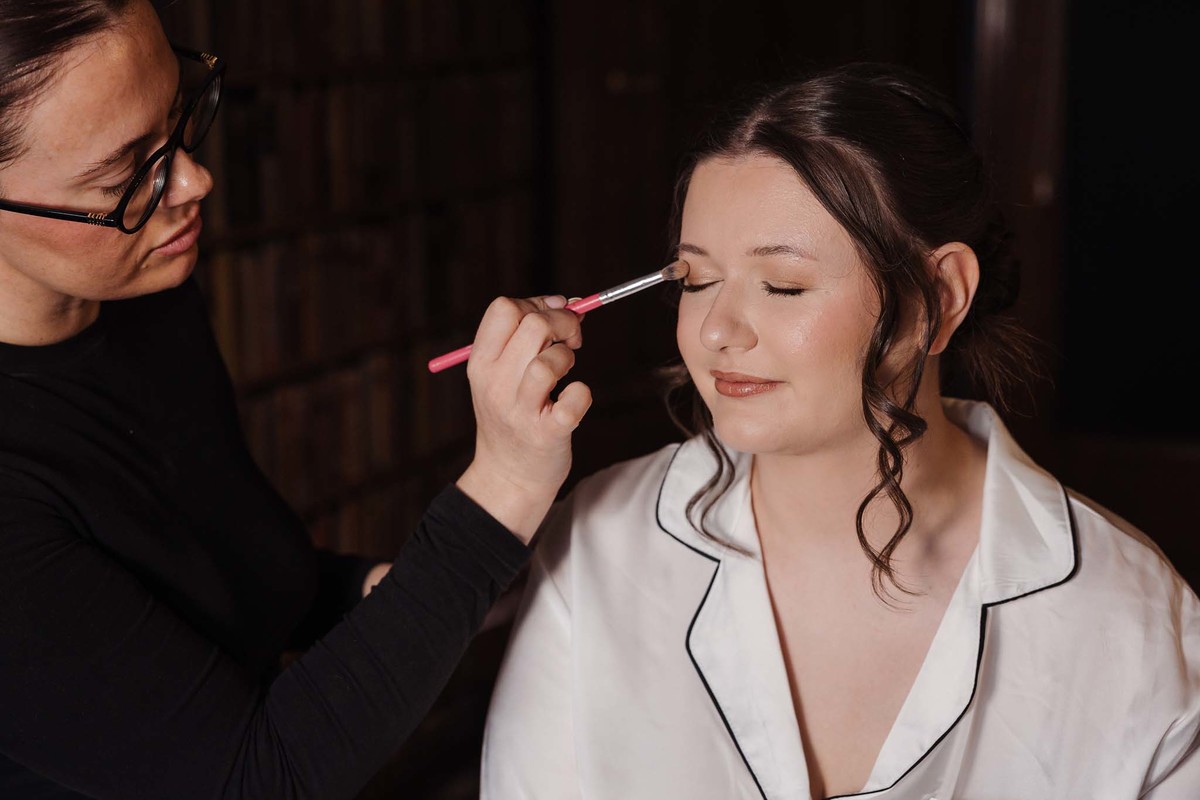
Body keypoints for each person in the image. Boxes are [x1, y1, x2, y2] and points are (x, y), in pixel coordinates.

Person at [480, 61, 1200, 799]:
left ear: (937, 298)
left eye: (782, 286)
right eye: (695, 281)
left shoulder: (1129, 618)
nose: (717, 331)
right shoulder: (598, 554)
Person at [0, 1, 594, 797]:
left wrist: (383, 595)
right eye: (124, 174)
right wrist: (507, 486)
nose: (192, 179)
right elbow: (258, 780)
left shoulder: (140, 289)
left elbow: (214, 574)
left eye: (180, 115)